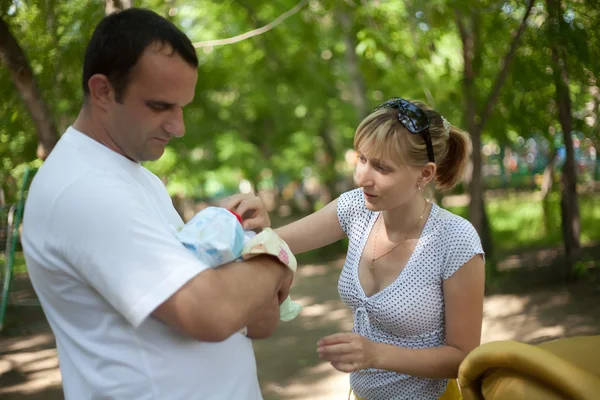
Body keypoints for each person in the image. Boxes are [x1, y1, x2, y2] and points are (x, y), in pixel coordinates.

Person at [21, 8, 291, 400]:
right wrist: (275, 255)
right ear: (103, 91)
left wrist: (252, 247)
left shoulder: (137, 178)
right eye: (160, 106)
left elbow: (259, 321)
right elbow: (211, 313)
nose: (178, 127)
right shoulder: (82, 189)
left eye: (182, 107)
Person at [274, 97, 486, 399]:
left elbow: (463, 357)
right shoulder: (355, 209)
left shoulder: (454, 239)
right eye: (361, 158)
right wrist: (258, 237)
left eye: (382, 168)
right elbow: (275, 241)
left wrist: (375, 355)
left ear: (424, 174)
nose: (362, 178)